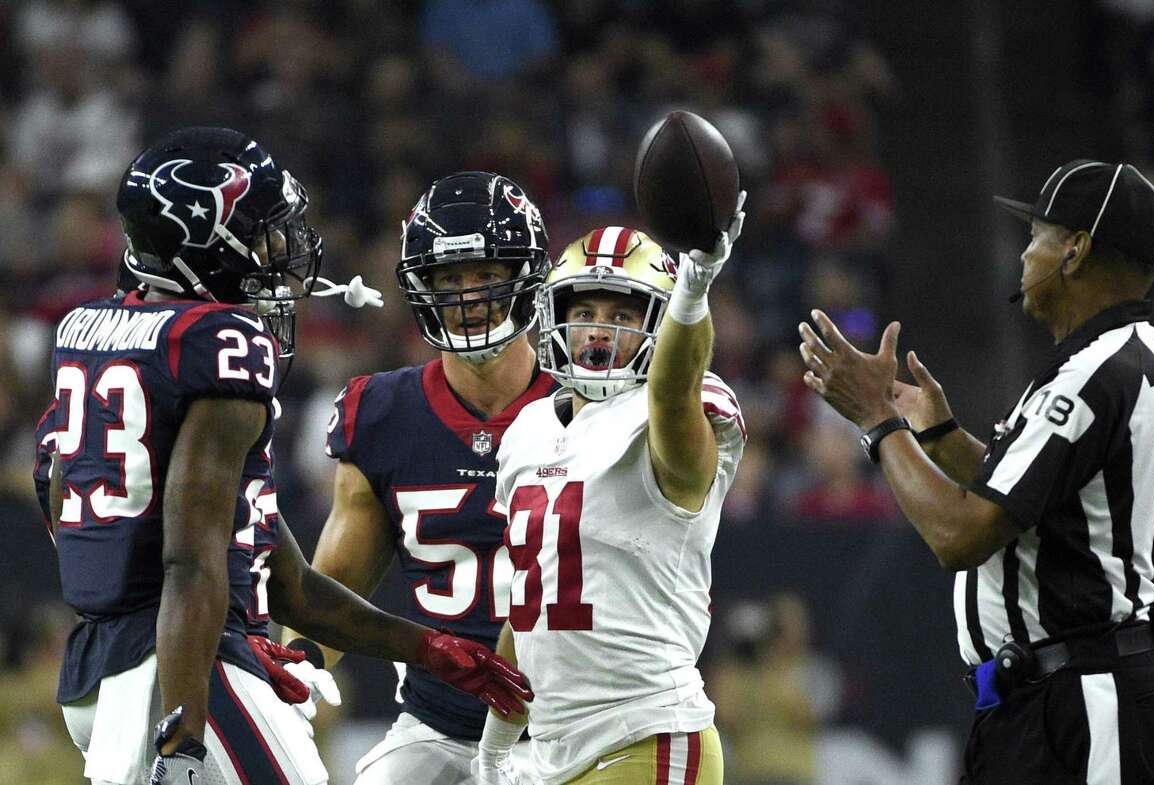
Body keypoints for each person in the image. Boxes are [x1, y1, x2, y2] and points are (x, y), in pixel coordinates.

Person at [32, 129, 531, 785]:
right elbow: (189, 561)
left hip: (99, 674)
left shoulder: (90, 329)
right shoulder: (221, 343)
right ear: (203, 240)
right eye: (262, 232)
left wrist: (428, 647)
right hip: (181, 671)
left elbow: (287, 582)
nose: (278, 252)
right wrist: (184, 734)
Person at [797, 160, 1154, 784]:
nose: (1024, 254)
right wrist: (941, 438)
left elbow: (961, 535)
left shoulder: (1092, 375)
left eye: (1038, 236)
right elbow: (1041, 505)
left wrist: (876, 421)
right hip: (1064, 696)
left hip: (1080, 701)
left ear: (1075, 251)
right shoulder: (1136, 357)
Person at [286, 170, 556, 785]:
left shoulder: (586, 408)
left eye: (485, 275)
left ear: (525, 278)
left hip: (569, 727)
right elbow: (335, 586)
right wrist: (291, 682)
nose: (467, 295)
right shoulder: (382, 414)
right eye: (448, 278)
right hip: (437, 725)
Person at [473, 208, 749, 785]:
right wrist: (495, 744)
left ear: (660, 322)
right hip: (553, 750)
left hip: (646, 732)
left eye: (623, 313)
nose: (600, 329)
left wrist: (694, 292)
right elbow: (535, 605)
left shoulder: (672, 415)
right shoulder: (527, 430)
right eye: (586, 311)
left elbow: (673, 396)